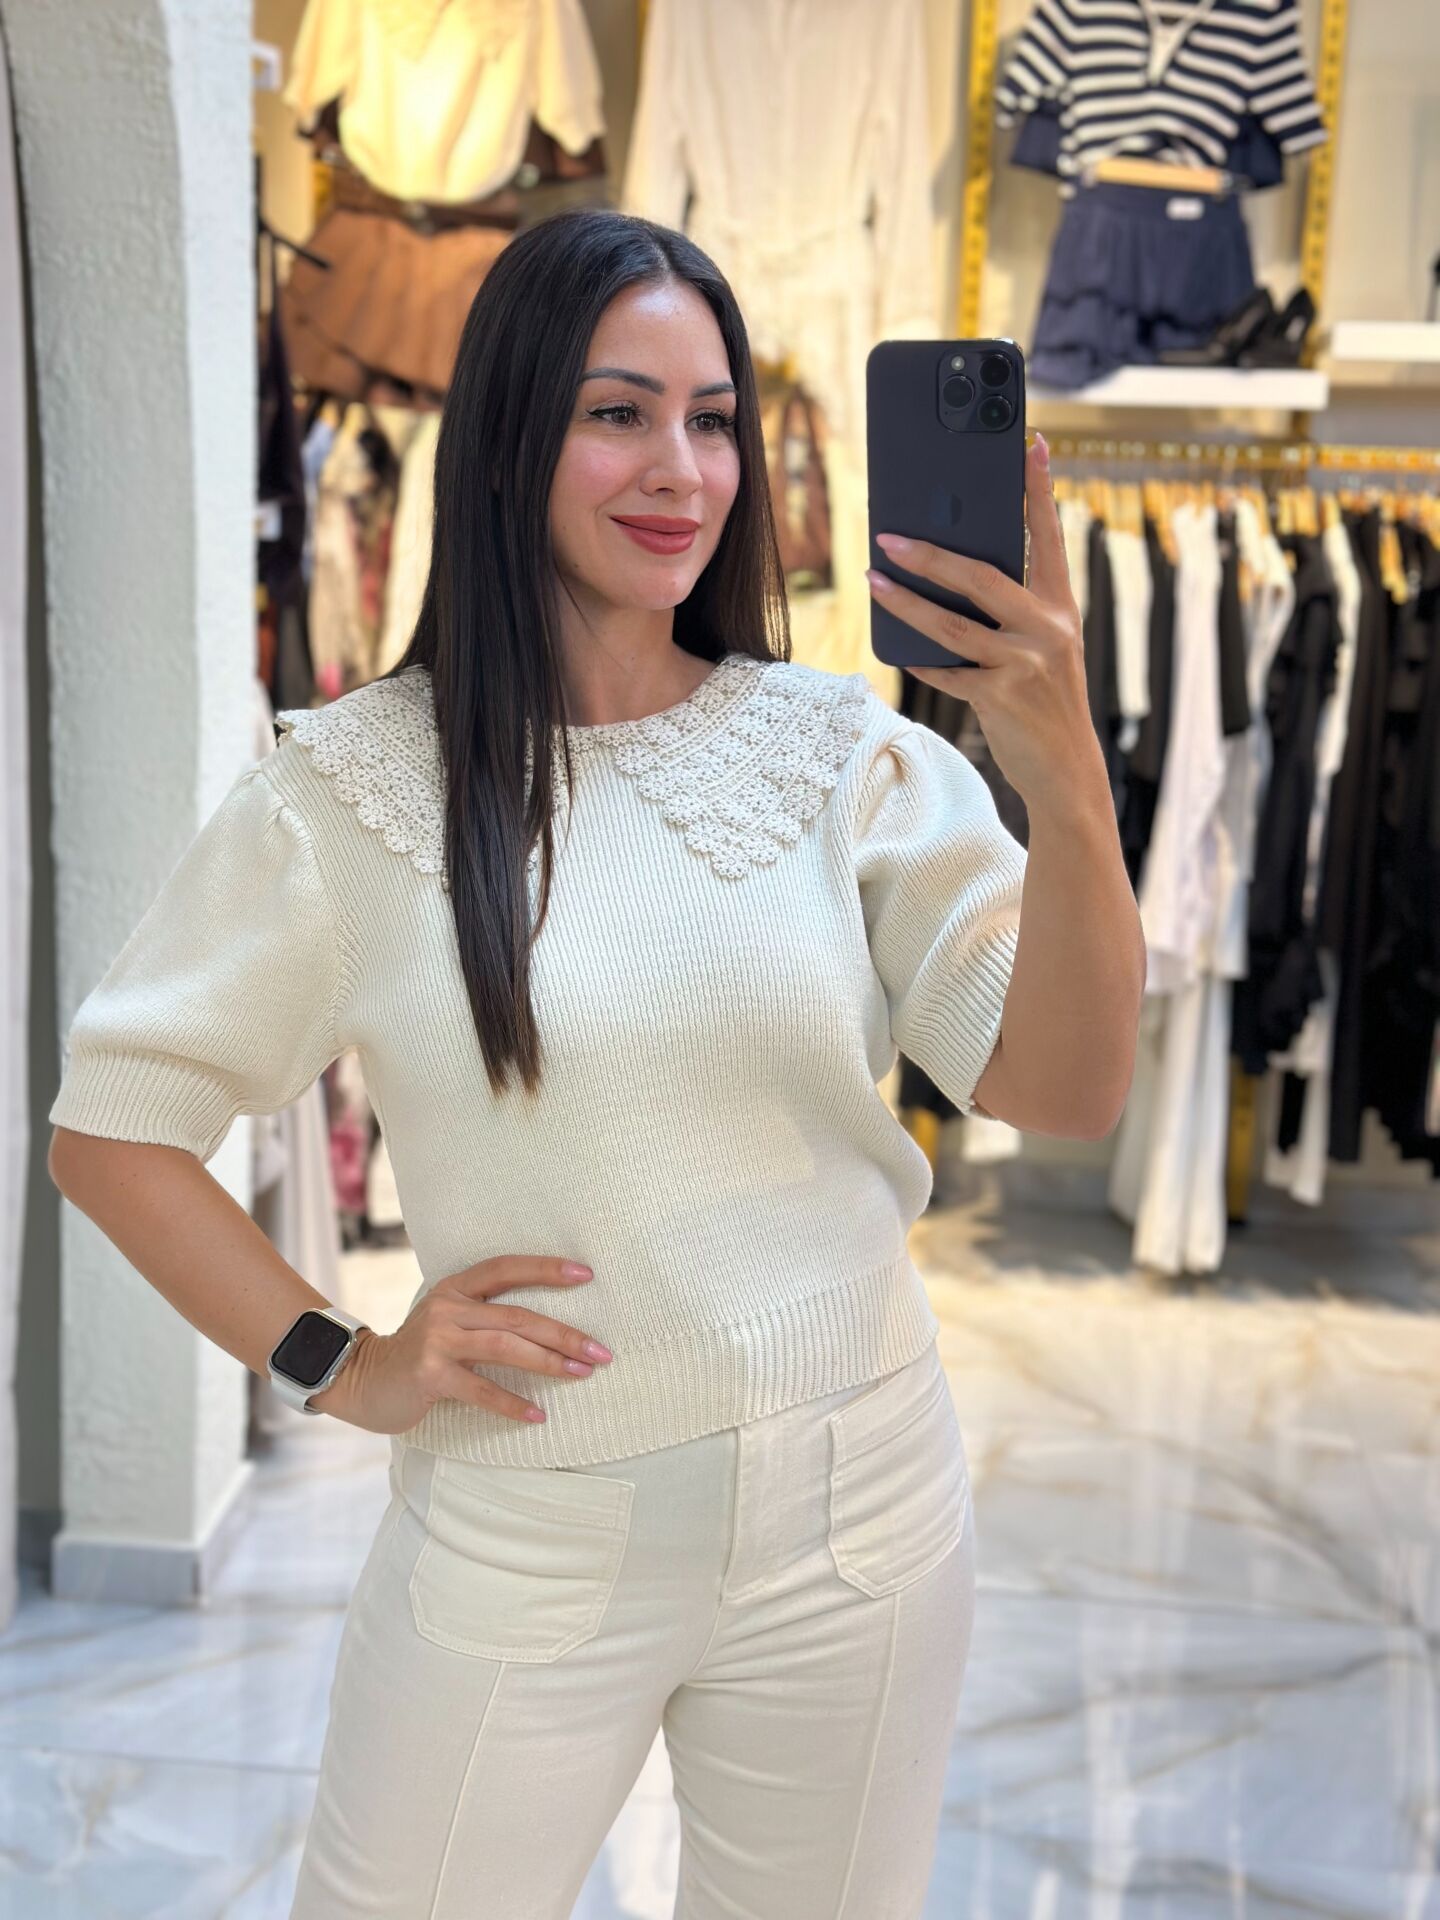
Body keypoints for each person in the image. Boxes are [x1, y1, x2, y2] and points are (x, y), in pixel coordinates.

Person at [48, 207, 1142, 1917]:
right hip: (524, 1522)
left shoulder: (838, 755)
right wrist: (345, 1361)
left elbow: (1066, 1090)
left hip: (861, 1509)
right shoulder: (354, 792)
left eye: (713, 419)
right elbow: (115, 1128)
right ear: (506, 440)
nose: (680, 470)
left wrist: (1060, 765)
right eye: (617, 413)